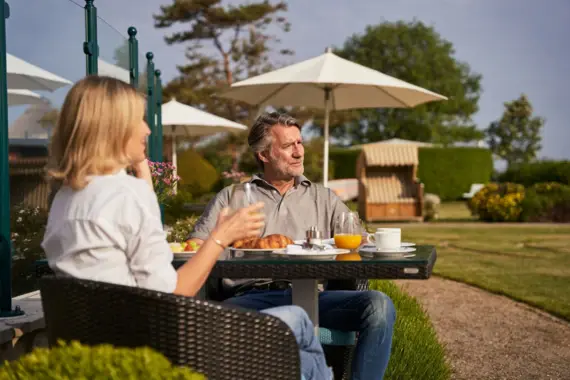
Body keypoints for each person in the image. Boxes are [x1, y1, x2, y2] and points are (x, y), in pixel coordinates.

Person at [40, 76, 331, 380]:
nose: (147, 129)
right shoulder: (127, 195)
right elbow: (176, 292)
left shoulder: (65, 198)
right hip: (161, 346)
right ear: (112, 128)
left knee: (294, 349)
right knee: (298, 318)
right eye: (138, 119)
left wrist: (140, 166)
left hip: (106, 346)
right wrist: (220, 237)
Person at [188, 111, 397, 380]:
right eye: (288, 146)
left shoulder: (323, 198)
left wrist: (372, 242)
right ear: (264, 155)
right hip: (250, 299)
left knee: (378, 306)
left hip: (315, 298)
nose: (299, 152)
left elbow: (359, 240)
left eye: (300, 143)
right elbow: (195, 246)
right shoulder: (233, 196)